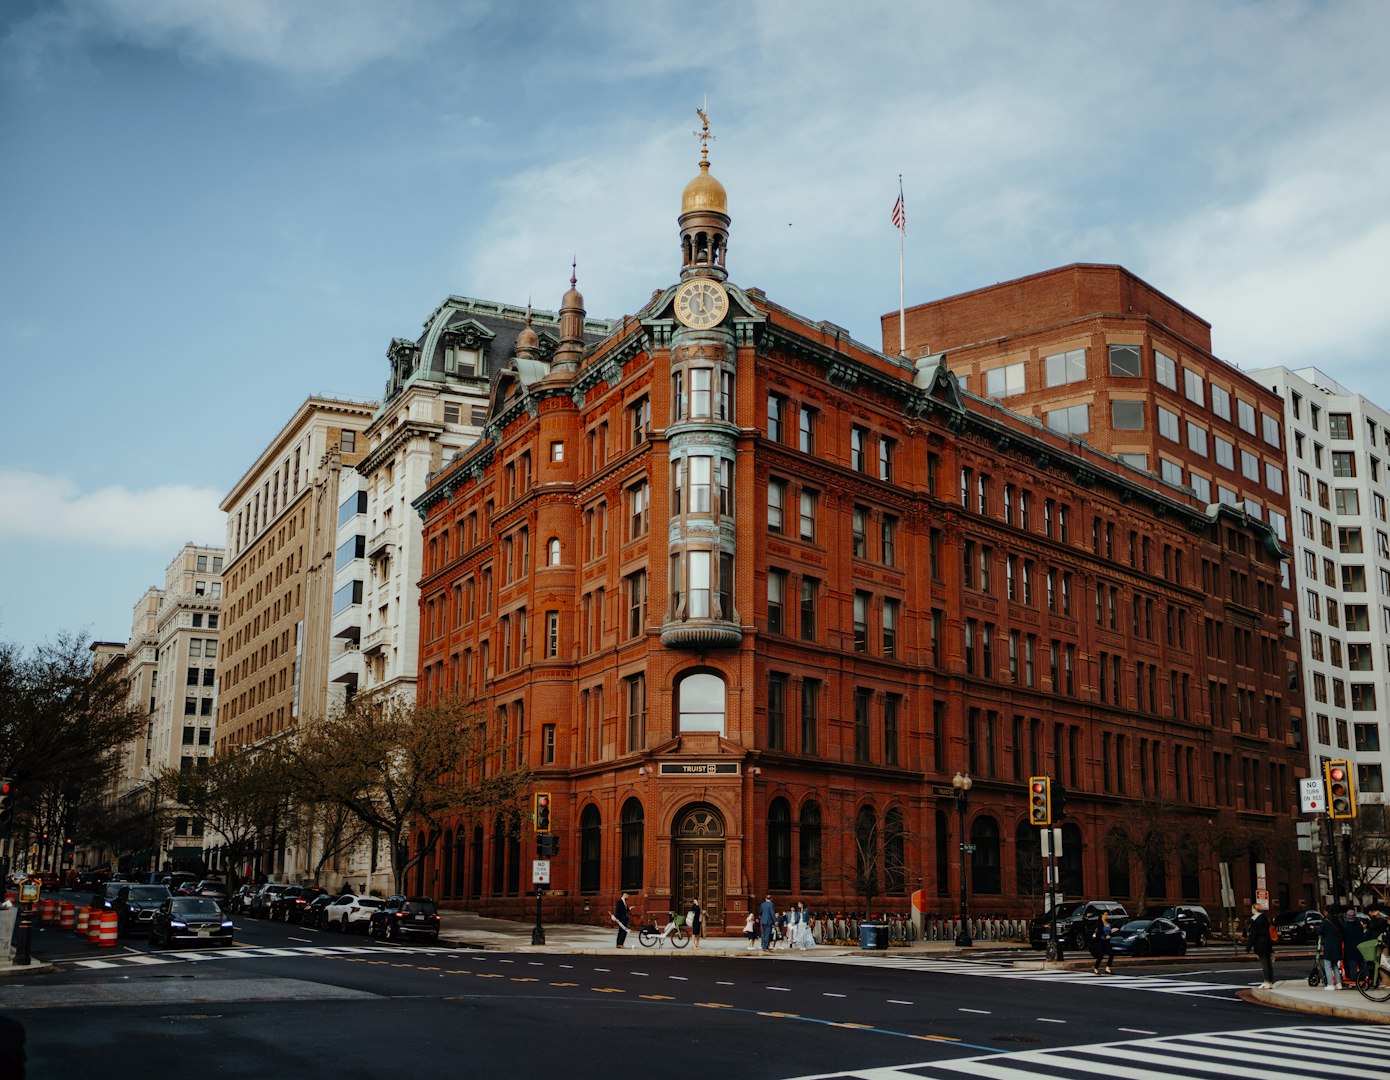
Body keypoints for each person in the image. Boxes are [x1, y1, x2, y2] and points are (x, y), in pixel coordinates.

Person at [1246, 902, 1275, 988]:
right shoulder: (1265, 918)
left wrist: (1248, 946)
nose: (1251, 910)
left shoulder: (1256, 920)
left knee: (1264, 963)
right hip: (1267, 943)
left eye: (1252, 908)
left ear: (1255, 909)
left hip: (1260, 944)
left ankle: (1267, 982)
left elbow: (1253, 934)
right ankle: (1269, 981)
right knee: (1268, 963)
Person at [1318, 904, 1345, 991]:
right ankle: (1339, 983)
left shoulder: (1325, 920)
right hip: (1337, 944)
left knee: (1327, 965)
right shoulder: (1338, 920)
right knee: (1334, 965)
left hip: (1329, 944)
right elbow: (1342, 930)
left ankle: (1330, 984)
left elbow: (1319, 931)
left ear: (1327, 911)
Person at [1341, 906, 1365, 986]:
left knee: (1352, 965)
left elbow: (1343, 937)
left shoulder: (1345, 926)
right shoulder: (1359, 926)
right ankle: (1364, 977)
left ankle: (1354, 980)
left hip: (1349, 948)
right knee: (1361, 963)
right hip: (1360, 947)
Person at [1090, 910, 1115, 975]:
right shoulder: (1099, 922)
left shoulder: (1109, 922)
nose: (1106, 916)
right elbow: (1099, 932)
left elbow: (1110, 931)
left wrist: (1110, 934)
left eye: (1107, 914)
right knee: (1100, 956)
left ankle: (1107, 968)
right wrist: (1105, 935)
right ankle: (1095, 968)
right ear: (1102, 915)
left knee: (1111, 954)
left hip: (1107, 941)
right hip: (1100, 941)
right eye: (1105, 914)